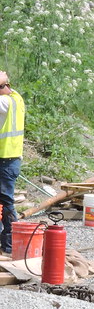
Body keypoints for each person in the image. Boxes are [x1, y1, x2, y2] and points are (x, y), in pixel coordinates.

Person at [0, 70, 24, 256]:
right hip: (10, 160)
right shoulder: (16, 98)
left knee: (6, 203)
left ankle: (9, 246)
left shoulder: (4, 102)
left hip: (5, 160)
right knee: (6, 202)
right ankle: (8, 245)